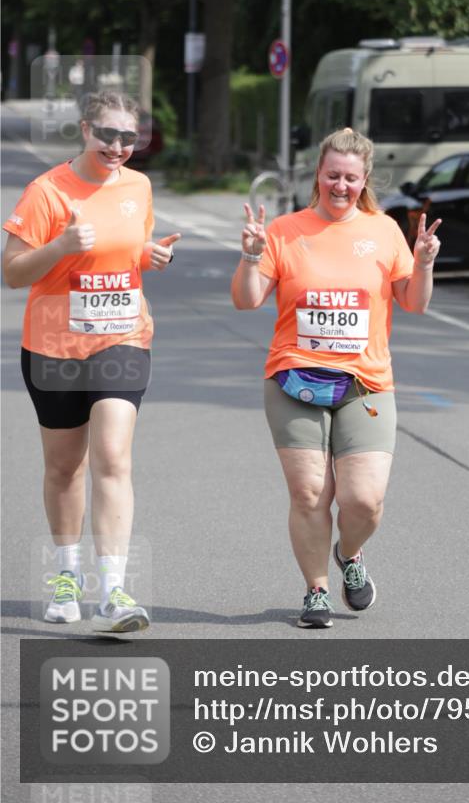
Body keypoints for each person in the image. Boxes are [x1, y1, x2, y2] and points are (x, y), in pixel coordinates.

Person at [232, 127, 441, 628]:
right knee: (309, 493)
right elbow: (246, 299)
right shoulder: (285, 230)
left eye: (350, 177)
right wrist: (251, 254)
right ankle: (316, 591)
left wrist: (425, 262)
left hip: (364, 383)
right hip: (293, 379)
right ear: (318, 176)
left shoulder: (384, 230)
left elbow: (413, 302)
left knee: (363, 500)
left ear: (364, 178)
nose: (340, 185)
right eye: (332, 176)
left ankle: (348, 554)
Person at [3, 90, 180, 633]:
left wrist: (150, 256)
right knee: (64, 466)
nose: (119, 146)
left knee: (112, 455)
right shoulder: (47, 191)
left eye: (129, 137)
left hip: (122, 337)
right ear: (85, 130)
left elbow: (130, 250)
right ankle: (65, 575)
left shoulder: (139, 186)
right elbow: (12, 272)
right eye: (108, 135)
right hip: (54, 345)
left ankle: (115, 590)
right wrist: (61, 246)